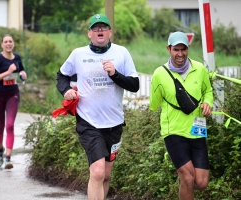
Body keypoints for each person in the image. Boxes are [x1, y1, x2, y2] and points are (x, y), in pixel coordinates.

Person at [56, 14, 139, 199]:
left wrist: (115, 74)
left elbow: (135, 85)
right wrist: (66, 91)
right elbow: (61, 76)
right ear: (89, 34)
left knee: (106, 176)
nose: (99, 30)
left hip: (114, 123)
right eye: (95, 28)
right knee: (98, 173)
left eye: (103, 27)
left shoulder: (121, 53)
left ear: (110, 32)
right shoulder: (78, 54)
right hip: (89, 123)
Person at [149, 31, 214, 200]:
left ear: (188, 48)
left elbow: (208, 91)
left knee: (201, 182)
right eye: (176, 49)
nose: (180, 54)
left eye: (183, 49)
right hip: (174, 131)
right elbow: (154, 104)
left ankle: (184, 186)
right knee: (187, 177)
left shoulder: (199, 69)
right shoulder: (159, 74)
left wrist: (208, 103)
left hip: (196, 129)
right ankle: (184, 180)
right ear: (168, 49)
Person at [0, 34, 27, 169]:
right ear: (2, 45)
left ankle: (8, 158)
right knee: (0, 125)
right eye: (6, 42)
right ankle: (0, 150)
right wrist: (7, 72)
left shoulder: (17, 58)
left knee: (10, 125)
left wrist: (23, 75)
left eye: (10, 41)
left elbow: (21, 70)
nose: (8, 44)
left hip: (12, 94)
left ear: (13, 44)